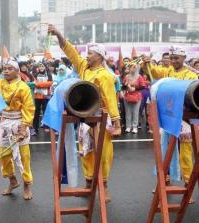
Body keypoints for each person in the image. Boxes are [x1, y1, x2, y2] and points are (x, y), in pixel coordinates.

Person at [49, 24, 121, 203]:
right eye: (87, 53)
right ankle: (89, 185)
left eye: (90, 53)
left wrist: (117, 122)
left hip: (102, 118)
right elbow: (71, 53)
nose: (86, 56)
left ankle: (104, 187)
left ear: (99, 56)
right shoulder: (85, 68)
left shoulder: (105, 75)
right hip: (85, 117)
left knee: (103, 154)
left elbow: (111, 99)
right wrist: (59, 34)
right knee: (86, 152)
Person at [142, 46, 198, 202]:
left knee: (186, 153)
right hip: (169, 117)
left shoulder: (191, 74)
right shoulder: (167, 72)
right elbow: (152, 72)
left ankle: (188, 186)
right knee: (164, 149)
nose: (173, 61)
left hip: (185, 118)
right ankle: (164, 182)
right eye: (171, 58)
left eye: (176, 58)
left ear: (183, 58)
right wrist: (146, 63)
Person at [0, 59, 35, 200]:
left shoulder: (23, 87)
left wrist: (23, 129)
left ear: (17, 71)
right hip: (5, 122)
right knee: (4, 155)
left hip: (19, 123)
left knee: (24, 157)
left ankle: (27, 185)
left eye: (10, 68)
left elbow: (29, 109)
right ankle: (13, 181)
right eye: (4, 68)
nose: (6, 71)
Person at [122, 63, 145, 134]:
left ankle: (135, 127)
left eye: (135, 67)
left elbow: (143, 86)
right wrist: (125, 86)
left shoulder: (139, 77)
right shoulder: (126, 76)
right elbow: (123, 86)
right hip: (127, 96)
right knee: (128, 112)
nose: (133, 69)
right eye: (132, 67)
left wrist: (134, 89)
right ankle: (128, 127)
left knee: (135, 112)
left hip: (137, 96)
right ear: (129, 68)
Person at [33, 63, 53, 135]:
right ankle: (35, 128)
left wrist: (39, 85)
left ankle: (46, 126)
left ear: (45, 67)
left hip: (46, 96)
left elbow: (50, 83)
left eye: (42, 66)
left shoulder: (48, 74)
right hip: (37, 96)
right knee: (36, 112)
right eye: (40, 66)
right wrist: (42, 84)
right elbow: (34, 83)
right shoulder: (35, 74)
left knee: (46, 111)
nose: (41, 67)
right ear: (38, 67)